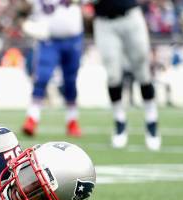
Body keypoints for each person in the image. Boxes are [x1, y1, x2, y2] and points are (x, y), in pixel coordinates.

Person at [90, 0, 161, 150]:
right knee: (113, 75)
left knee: (143, 70)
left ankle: (151, 119)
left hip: (130, 16)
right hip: (104, 22)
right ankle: (119, 121)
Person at [19, 0, 84, 138]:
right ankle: (32, 118)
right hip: (49, 40)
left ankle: (72, 120)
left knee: (70, 81)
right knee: (41, 78)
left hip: (73, 38)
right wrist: (23, 21)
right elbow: (23, 8)